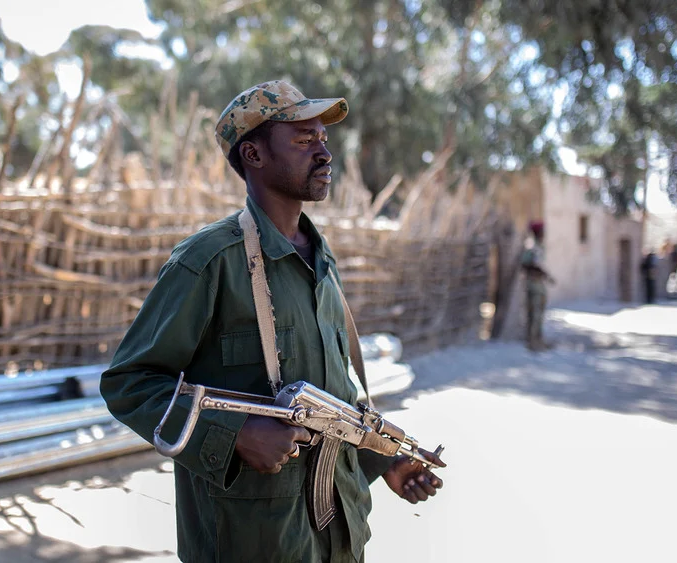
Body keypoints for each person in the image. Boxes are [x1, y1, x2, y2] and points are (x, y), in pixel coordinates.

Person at [100, 80, 445, 562]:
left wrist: (380, 458)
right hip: (254, 541)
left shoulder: (322, 261)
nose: (324, 153)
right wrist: (234, 435)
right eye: (303, 140)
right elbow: (129, 384)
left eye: (323, 139)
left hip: (340, 538)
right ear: (254, 156)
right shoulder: (209, 261)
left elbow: (333, 397)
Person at [519, 220, 555, 351]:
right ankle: (532, 341)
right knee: (533, 314)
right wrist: (538, 271)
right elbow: (525, 265)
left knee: (539, 314)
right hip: (533, 285)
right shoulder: (531, 247)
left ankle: (538, 340)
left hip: (539, 285)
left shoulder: (539, 247)